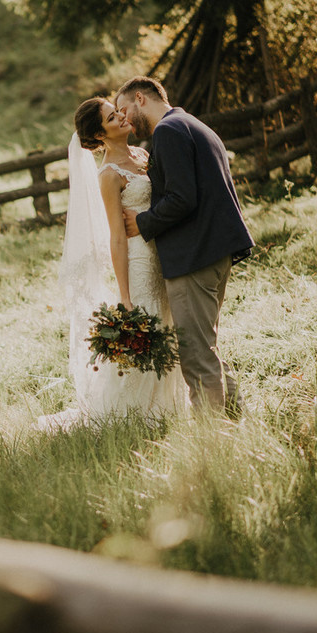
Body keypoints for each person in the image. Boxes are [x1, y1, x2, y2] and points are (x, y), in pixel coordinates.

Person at [36, 97, 187, 432]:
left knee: (169, 328)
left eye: (117, 111)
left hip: (166, 255)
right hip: (140, 264)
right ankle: (129, 414)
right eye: (111, 117)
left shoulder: (143, 156)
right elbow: (116, 238)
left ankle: (170, 405)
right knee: (149, 334)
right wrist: (125, 296)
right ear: (99, 135)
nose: (121, 116)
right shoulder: (108, 175)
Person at [114, 76, 254, 416]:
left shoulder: (168, 131)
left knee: (195, 354)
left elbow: (181, 198)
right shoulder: (191, 124)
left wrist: (143, 222)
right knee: (205, 344)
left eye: (123, 110)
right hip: (215, 251)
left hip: (194, 256)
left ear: (140, 98)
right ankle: (237, 419)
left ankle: (211, 435)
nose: (124, 120)